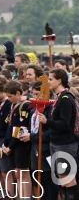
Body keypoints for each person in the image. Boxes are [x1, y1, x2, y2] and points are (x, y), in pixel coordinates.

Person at [39, 68, 79, 200]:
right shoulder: (59, 97)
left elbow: (64, 124)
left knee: (68, 178)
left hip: (65, 143)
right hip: (57, 143)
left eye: (51, 79)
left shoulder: (66, 98)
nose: (48, 82)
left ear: (59, 80)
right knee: (62, 178)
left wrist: (47, 121)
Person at [2, 80, 32, 200]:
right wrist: (5, 143)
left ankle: (26, 197)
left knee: (23, 172)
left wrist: (11, 145)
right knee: (17, 173)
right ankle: (21, 196)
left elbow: (21, 127)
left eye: (10, 96)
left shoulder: (25, 105)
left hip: (20, 144)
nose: (8, 99)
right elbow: (9, 126)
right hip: (11, 143)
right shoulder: (13, 105)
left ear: (18, 93)